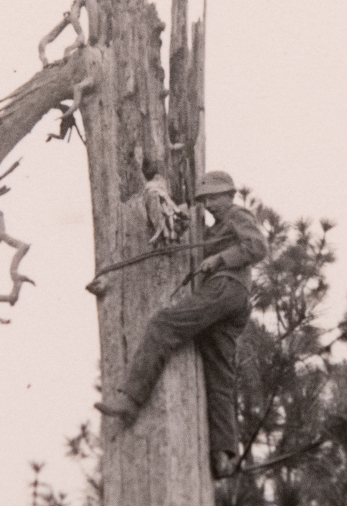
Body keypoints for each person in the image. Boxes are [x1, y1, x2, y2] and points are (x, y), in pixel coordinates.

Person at [94, 170, 268, 479]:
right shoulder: (213, 230)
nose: (210, 204)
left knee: (164, 325)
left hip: (226, 287)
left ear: (230, 195)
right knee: (218, 373)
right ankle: (224, 454)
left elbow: (257, 247)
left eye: (215, 197)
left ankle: (131, 399)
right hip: (233, 302)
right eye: (205, 200)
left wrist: (218, 260)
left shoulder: (238, 215)